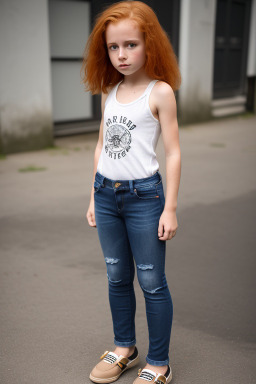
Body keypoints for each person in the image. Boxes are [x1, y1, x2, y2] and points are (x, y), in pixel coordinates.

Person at [81, 1, 181, 383]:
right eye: (113, 47)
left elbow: (172, 153)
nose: (121, 55)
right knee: (116, 276)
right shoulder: (110, 90)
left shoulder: (160, 92)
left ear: (149, 44)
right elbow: (101, 146)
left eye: (131, 45)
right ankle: (125, 347)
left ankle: (158, 363)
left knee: (152, 280)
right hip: (106, 195)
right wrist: (93, 195)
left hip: (145, 199)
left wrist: (169, 207)